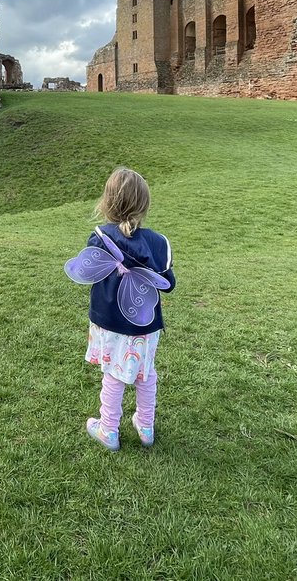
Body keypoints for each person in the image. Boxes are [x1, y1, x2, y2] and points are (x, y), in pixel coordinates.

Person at [70, 167, 175, 450]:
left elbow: (88, 271)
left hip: (111, 322)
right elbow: (169, 283)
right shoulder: (158, 242)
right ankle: (146, 426)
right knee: (146, 372)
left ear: (107, 202)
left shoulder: (100, 236)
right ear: (144, 204)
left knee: (114, 375)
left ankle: (109, 429)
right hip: (146, 324)